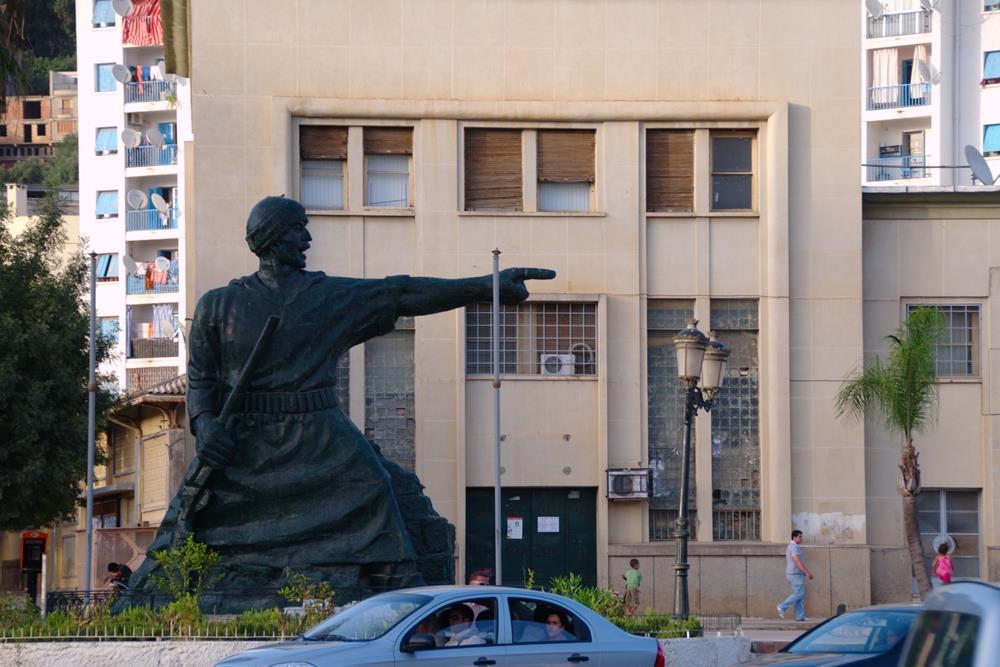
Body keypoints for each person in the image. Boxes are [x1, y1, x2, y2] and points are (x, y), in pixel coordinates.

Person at [124, 196, 555, 609]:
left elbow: (401, 294)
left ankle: (390, 595)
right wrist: (206, 422)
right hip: (245, 441)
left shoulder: (325, 296)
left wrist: (483, 286)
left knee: (376, 488)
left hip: (318, 432)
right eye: (299, 231)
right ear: (272, 238)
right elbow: (202, 378)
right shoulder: (220, 305)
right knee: (202, 520)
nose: (307, 241)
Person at [777, 529, 813, 622]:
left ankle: (799, 616)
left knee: (800, 595)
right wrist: (807, 572)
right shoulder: (793, 547)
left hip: (796, 573)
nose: (801, 539)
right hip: (795, 574)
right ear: (794, 537)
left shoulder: (794, 546)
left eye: (801, 536)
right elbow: (797, 561)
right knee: (799, 593)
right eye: (800, 536)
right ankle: (782, 606)